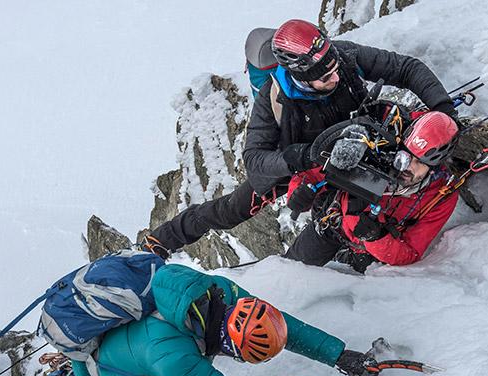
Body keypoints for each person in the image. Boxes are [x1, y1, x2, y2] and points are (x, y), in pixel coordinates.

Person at [143, 19, 456, 260]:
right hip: (304, 159)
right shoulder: (274, 99)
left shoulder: (343, 58)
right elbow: (254, 160)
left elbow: (406, 69)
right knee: (230, 211)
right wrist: (301, 158)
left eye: (335, 69)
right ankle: (163, 240)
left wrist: (444, 111)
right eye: (324, 77)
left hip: (361, 140)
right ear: (299, 76)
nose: (335, 78)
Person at [54, 263, 381, 376]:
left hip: (138, 359)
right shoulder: (173, 353)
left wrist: (337, 354)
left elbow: (278, 324)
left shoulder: (221, 293)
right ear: (230, 348)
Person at [284, 111, 460, 272]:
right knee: (289, 275)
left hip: (369, 256)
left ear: (434, 168)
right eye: (407, 155)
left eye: (420, 163)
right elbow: (315, 172)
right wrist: (299, 194)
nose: (408, 166)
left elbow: (411, 253)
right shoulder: (377, 149)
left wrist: (376, 237)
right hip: (330, 226)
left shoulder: (440, 196)